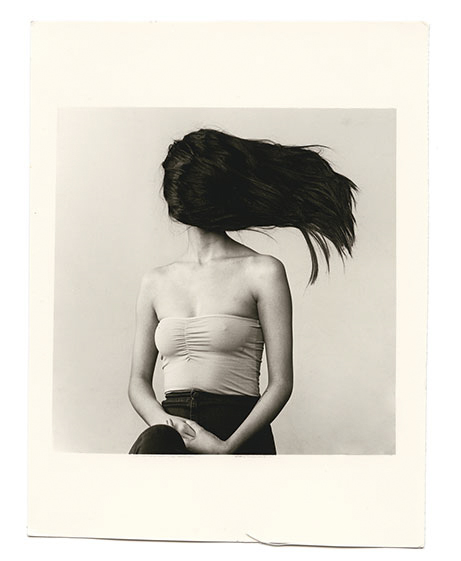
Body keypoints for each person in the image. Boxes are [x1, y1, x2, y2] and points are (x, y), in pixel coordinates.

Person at [128, 128, 357, 455]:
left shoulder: (263, 272)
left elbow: (281, 384)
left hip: (239, 431)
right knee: (156, 446)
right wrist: (170, 425)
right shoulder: (155, 281)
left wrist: (226, 448)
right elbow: (138, 382)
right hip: (171, 436)